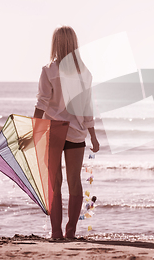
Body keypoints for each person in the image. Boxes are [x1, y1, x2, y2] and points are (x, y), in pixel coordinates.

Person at [33, 25, 100, 240]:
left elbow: (42, 103)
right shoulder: (84, 73)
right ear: (74, 44)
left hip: (53, 131)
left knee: (55, 182)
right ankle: (70, 232)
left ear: (55, 43)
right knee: (74, 181)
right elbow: (87, 107)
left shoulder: (49, 71)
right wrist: (93, 135)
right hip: (76, 132)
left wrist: (34, 130)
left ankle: (56, 232)